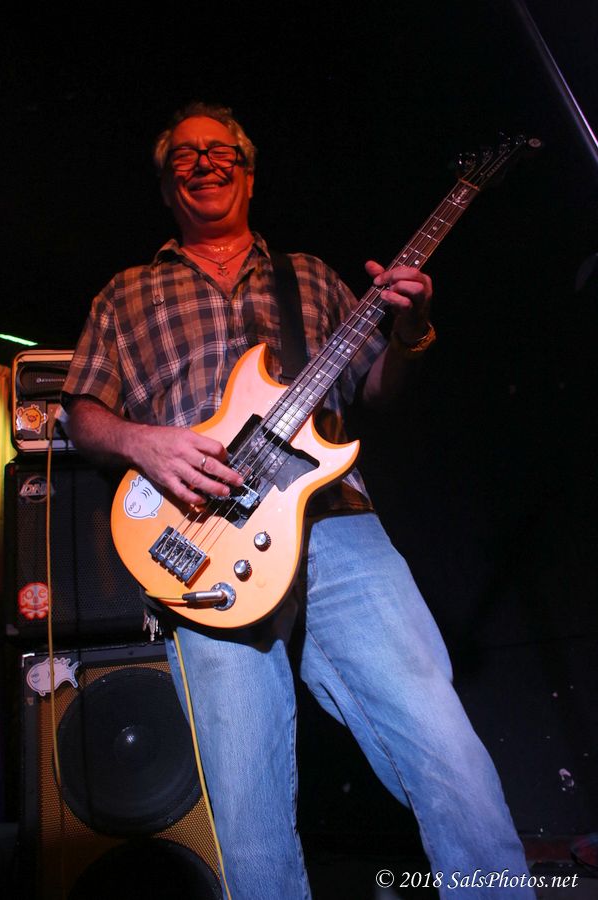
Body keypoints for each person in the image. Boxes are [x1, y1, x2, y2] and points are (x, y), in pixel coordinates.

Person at [62, 102, 535, 899]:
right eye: (184, 156)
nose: (204, 163)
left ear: (248, 173)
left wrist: (411, 330)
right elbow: (82, 416)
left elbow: (376, 392)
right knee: (246, 808)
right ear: (166, 183)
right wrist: (147, 443)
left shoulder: (309, 276)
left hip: (338, 528)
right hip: (203, 545)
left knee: (444, 745)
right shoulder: (125, 293)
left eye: (221, 151)